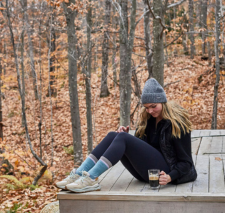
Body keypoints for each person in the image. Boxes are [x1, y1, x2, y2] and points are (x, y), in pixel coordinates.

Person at [55, 78, 197, 193]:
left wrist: (170, 177)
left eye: (154, 106)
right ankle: (80, 173)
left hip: (164, 174)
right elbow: (146, 149)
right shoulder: (148, 119)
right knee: (114, 135)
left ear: (163, 102)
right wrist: (128, 136)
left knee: (122, 138)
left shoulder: (178, 124)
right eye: (147, 107)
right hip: (146, 172)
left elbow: (186, 162)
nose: (150, 111)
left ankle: (91, 178)